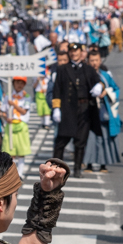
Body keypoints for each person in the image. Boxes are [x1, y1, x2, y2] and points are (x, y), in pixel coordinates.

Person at [50, 43, 102, 176]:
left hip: (84, 109)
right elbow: (56, 90)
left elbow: (98, 81)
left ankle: (77, 168)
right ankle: (55, 168)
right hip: (68, 109)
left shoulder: (88, 69)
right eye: (71, 52)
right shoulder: (62, 69)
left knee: (80, 141)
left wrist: (99, 87)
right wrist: (56, 108)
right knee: (61, 141)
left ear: (81, 52)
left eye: (77, 51)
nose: (74, 54)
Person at [84, 51, 120, 173]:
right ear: (88, 61)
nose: (94, 63)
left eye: (96, 60)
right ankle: (88, 164)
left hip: (104, 111)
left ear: (100, 61)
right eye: (92, 60)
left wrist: (107, 92)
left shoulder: (106, 76)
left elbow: (116, 89)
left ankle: (103, 164)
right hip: (89, 111)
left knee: (105, 138)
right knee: (90, 139)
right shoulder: (85, 74)